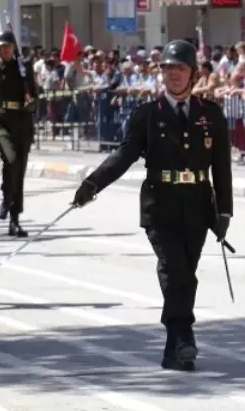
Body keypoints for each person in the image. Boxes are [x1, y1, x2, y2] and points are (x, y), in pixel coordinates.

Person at [71, 40, 233, 371]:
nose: (173, 74)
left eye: (180, 68)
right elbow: (124, 154)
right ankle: (183, 332)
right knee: (173, 268)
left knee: (187, 272)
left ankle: (175, 348)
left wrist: (225, 211)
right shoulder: (147, 115)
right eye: (167, 68)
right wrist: (92, 183)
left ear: (194, 73)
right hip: (160, 204)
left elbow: (222, 166)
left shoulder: (210, 114)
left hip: (199, 204)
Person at [0, 30, 37, 237]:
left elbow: (35, 95)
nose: (5, 50)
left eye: (8, 46)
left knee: (19, 172)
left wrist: (32, 103)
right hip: (2, 122)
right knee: (11, 159)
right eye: (1, 47)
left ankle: (14, 219)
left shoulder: (23, 69)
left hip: (23, 123)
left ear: (13, 48)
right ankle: (7, 199)